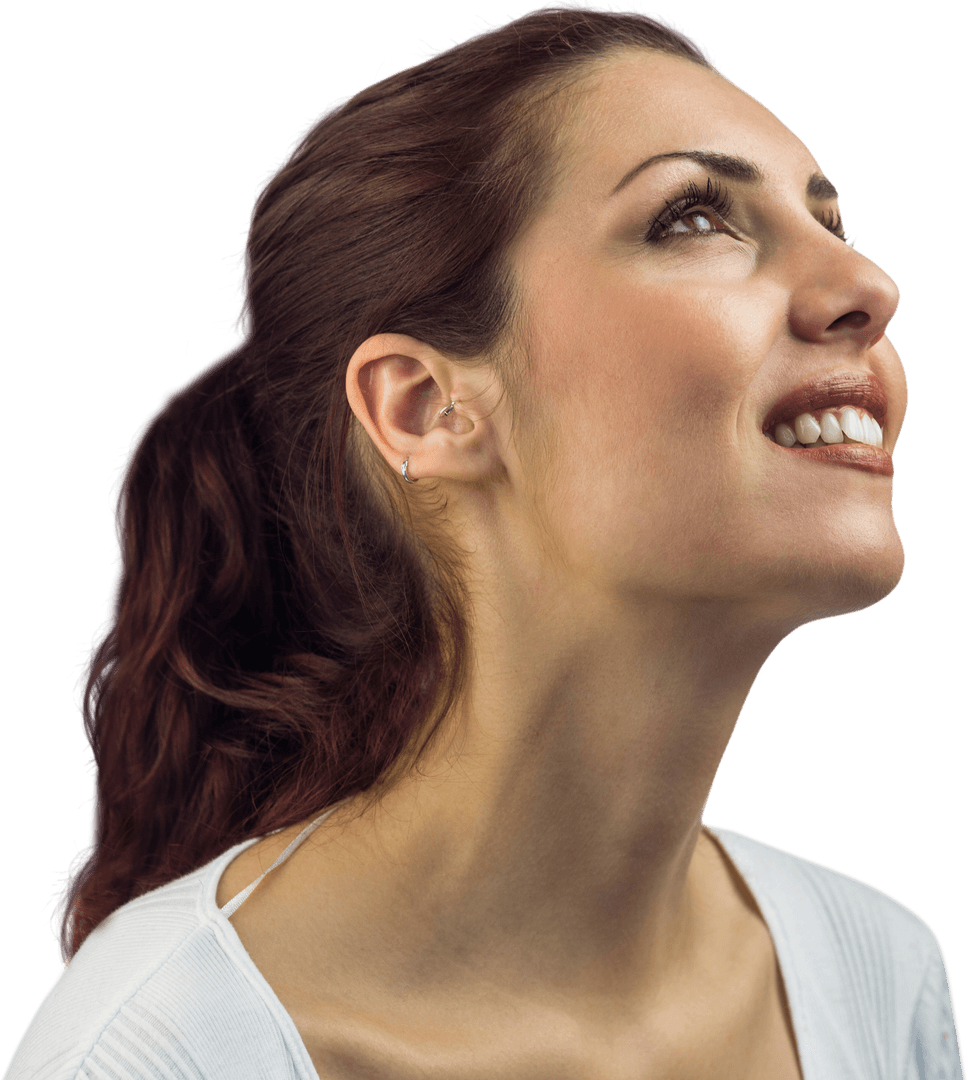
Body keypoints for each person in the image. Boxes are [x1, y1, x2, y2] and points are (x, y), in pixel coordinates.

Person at [5, 3, 963, 1078]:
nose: (867, 286)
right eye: (693, 216)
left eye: (831, 222)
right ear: (422, 407)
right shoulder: (160, 1047)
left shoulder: (877, 975)